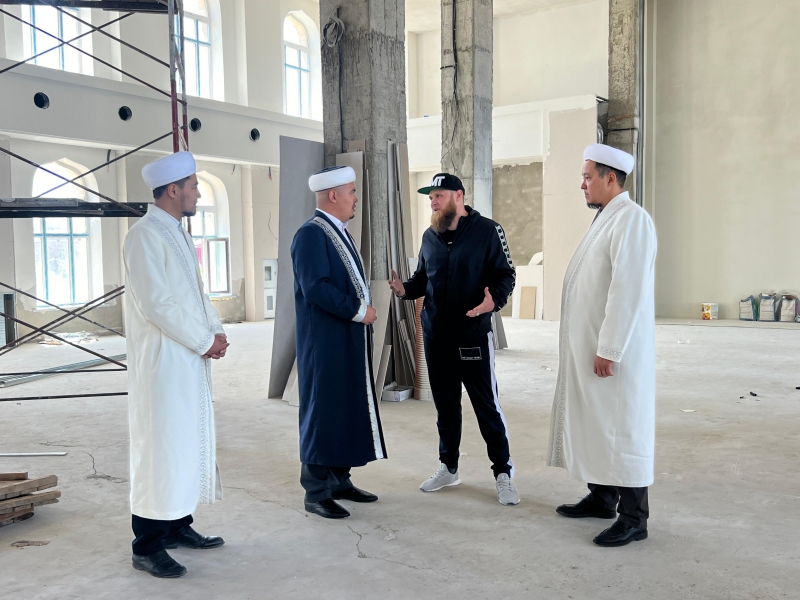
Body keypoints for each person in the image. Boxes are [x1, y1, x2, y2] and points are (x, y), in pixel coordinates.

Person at [124, 151, 229, 578]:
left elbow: (198, 295)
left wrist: (216, 331)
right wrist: (204, 341)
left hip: (187, 359)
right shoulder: (144, 236)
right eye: (194, 187)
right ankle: (147, 544)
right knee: (160, 450)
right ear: (173, 190)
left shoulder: (178, 234)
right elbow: (158, 303)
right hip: (163, 365)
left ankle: (177, 525)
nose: (198, 194)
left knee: (184, 444)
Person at [547, 143, 657, 547]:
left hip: (614, 355)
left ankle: (634, 518)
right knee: (597, 424)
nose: (582, 184)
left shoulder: (632, 220)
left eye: (587, 177)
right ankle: (602, 497)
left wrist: (609, 348)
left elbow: (626, 290)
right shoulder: (606, 219)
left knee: (622, 429)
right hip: (591, 349)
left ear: (611, 178)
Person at [388, 173, 519, 505]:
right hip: (436, 337)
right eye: (431, 196)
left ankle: (503, 473)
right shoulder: (429, 236)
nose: (433, 201)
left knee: (486, 407)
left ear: (458, 196)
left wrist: (494, 302)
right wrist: (404, 290)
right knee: (445, 407)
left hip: (472, 335)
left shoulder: (488, 231)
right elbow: (422, 279)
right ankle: (449, 467)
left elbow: (506, 274)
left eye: (439, 195)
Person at [291, 165, 386, 520]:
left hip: (344, 338)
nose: (355, 199)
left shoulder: (337, 231)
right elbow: (316, 288)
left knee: (344, 407)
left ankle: (339, 480)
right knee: (323, 412)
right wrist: (359, 311)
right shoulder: (311, 235)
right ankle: (316, 492)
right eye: (352, 192)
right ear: (333, 195)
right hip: (325, 342)